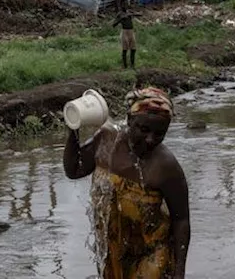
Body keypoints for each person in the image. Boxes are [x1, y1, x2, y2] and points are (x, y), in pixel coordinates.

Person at [62, 87, 191, 279]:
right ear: (130, 120)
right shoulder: (106, 141)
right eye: (144, 129)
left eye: (159, 133)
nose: (150, 139)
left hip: (152, 254)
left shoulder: (166, 167)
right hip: (114, 250)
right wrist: (73, 128)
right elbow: (74, 170)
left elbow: (181, 220)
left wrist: (179, 272)